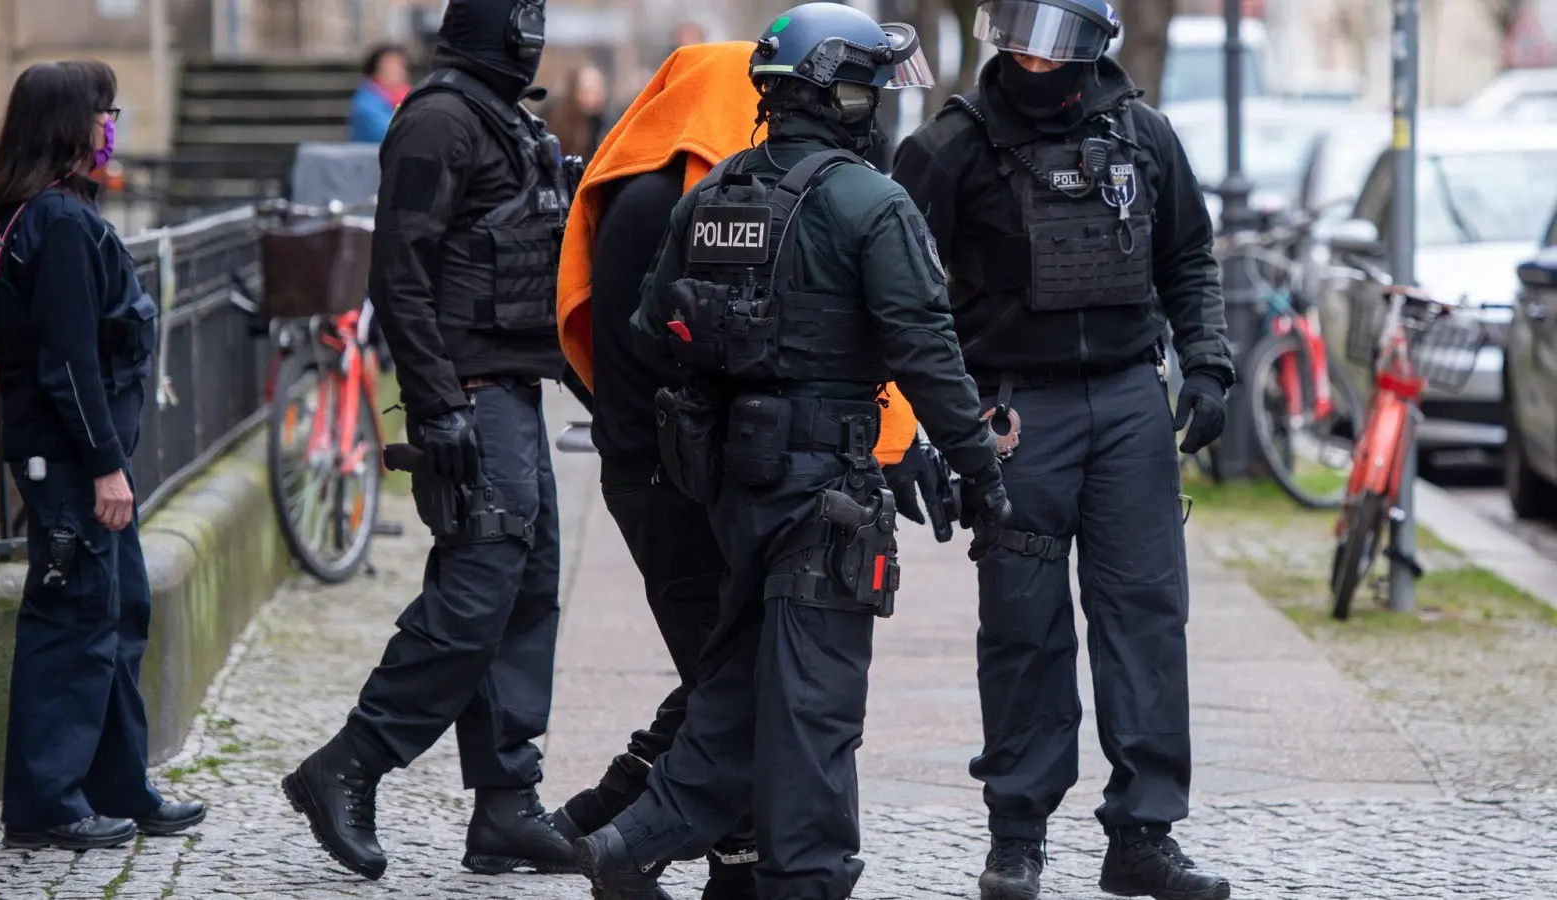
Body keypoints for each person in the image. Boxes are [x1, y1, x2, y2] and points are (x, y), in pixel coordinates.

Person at [571, 6, 1011, 899]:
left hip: (737, 484)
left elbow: (652, 326)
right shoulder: (869, 202)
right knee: (814, 706)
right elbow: (928, 352)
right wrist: (980, 468)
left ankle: (625, 843)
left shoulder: (715, 190)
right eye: (874, 89)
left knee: (738, 685)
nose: (883, 106)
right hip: (829, 492)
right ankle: (805, 881)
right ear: (841, 92)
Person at [890, 2, 1234, 899]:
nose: (1035, 56)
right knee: (1023, 626)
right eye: (1020, 31)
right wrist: (915, 430)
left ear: (1090, 44)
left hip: (1128, 404)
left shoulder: (1145, 136)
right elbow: (889, 298)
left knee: (1146, 619)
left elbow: (1189, 258)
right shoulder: (947, 150)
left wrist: (1207, 366)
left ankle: (1144, 836)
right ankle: (1017, 836)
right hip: (1013, 414)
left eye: (1055, 38)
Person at [281, 0, 577, 882]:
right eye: (524, 19)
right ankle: (349, 763)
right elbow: (398, 274)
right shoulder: (439, 120)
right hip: (473, 402)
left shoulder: (503, 122)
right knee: (472, 604)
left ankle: (505, 808)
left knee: (524, 601)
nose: (536, 35)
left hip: (512, 398)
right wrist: (438, 405)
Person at [0, 60, 206, 852]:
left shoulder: (43, 215)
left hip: (81, 459)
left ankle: (116, 783)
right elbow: (67, 362)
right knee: (72, 623)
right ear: (72, 125)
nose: (115, 127)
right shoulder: (60, 225)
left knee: (119, 611)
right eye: (105, 112)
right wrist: (107, 466)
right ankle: (45, 805)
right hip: (75, 465)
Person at [541, 63, 612, 161]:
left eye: (599, 91)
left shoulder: (600, 123)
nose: (597, 97)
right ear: (575, 91)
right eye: (590, 91)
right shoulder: (552, 115)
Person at [350, 44, 412, 143]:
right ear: (375, 70)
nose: (399, 72)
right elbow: (394, 135)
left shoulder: (406, 96)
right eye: (391, 67)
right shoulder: (366, 105)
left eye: (402, 66)